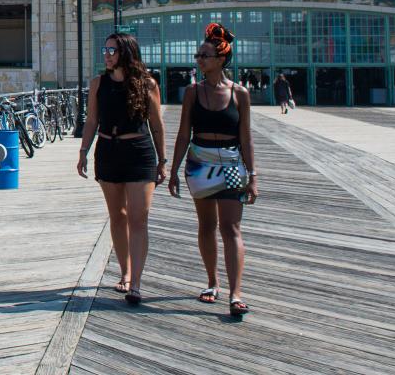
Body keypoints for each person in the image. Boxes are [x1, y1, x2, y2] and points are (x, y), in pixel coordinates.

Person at [168, 23, 259, 320]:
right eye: (198, 55)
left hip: (231, 163)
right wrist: (173, 169)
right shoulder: (192, 92)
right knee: (206, 225)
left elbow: (246, 137)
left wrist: (253, 176)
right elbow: (184, 133)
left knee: (231, 227)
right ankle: (212, 282)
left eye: (204, 55)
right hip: (200, 162)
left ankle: (236, 293)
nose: (199, 60)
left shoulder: (240, 93)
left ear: (221, 59)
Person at [76, 33, 167, 306]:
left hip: (139, 153)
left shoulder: (147, 84)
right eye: (105, 50)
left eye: (112, 51)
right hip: (108, 151)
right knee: (118, 216)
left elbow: (156, 125)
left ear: (126, 53)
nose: (106, 55)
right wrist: (83, 151)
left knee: (139, 219)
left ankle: (136, 283)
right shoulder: (98, 83)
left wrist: (163, 161)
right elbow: (91, 120)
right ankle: (125, 273)